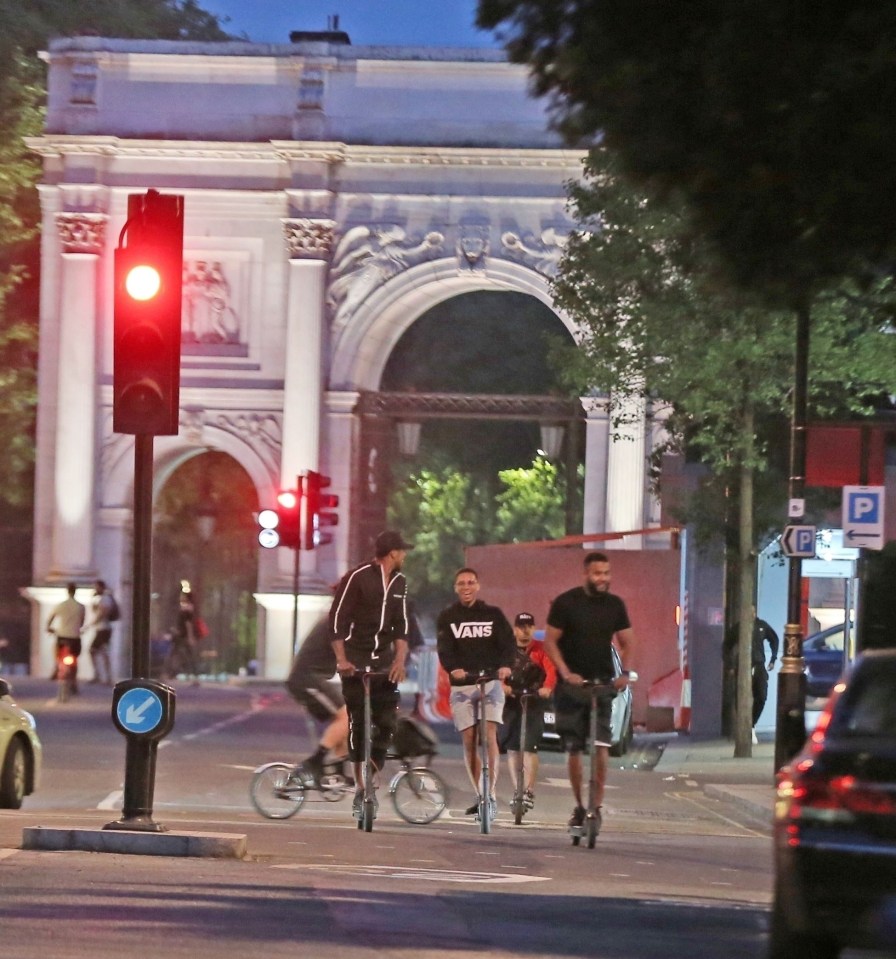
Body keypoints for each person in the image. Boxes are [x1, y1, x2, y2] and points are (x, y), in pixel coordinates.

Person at [543, 551, 635, 836]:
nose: (603, 579)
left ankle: (597, 806)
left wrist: (624, 674)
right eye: (597, 573)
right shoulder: (565, 603)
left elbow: (628, 641)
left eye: (606, 573)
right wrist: (564, 671)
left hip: (602, 685)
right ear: (585, 574)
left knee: (602, 746)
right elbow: (550, 642)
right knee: (573, 749)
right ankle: (580, 806)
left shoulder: (615, 605)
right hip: (572, 689)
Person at [330, 530, 414, 820]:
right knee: (359, 724)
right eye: (402, 551)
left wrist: (400, 661)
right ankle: (360, 787)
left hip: (383, 663)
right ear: (392, 553)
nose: (404, 556)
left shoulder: (400, 583)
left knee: (387, 722)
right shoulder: (358, 577)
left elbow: (402, 627)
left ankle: (373, 770)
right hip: (355, 661)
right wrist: (342, 660)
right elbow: (337, 620)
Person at [436, 567, 516, 821]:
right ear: (456, 588)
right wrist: (453, 669)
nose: (466, 587)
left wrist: (506, 666)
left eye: (470, 582)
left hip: (490, 682)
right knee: (469, 740)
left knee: (489, 735)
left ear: (478, 586)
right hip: (463, 685)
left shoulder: (493, 615)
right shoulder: (448, 616)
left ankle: (489, 791)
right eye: (461, 583)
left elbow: (508, 644)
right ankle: (478, 791)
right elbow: (444, 648)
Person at [499, 612, 556, 811]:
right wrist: (502, 686)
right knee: (513, 748)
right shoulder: (507, 651)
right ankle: (518, 790)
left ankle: (529, 790)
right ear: (514, 629)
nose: (525, 631)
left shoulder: (541, 650)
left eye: (529, 626)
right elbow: (499, 670)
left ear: (534, 629)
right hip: (511, 701)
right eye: (521, 627)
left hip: (534, 701)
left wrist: (547, 688)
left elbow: (551, 671)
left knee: (529, 747)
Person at [285, 615, 350, 786]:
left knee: (347, 719)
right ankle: (315, 762)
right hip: (307, 680)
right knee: (346, 717)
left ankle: (339, 769)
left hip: (314, 679)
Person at [724, 607, 779, 743]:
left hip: (759, 664)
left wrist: (773, 659)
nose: (752, 614)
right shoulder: (738, 628)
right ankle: (743, 727)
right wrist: (730, 665)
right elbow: (726, 645)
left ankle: (751, 724)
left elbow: (774, 639)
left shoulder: (761, 626)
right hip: (742, 666)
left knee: (761, 696)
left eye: (753, 612)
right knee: (740, 696)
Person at [47, 582, 86, 695]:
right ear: (75, 592)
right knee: (75, 659)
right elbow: (82, 622)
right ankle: (74, 683)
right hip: (75, 637)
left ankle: (56, 667)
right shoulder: (81, 606)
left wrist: (49, 628)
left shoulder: (60, 605)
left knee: (57, 651)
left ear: (67, 591)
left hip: (62, 635)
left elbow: (50, 619)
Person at [170, 590, 201, 684]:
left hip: (184, 636)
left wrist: (190, 636)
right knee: (177, 654)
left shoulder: (187, 609)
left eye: (183, 596)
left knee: (186, 655)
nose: (181, 597)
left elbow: (188, 624)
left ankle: (194, 676)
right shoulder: (185, 608)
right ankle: (170, 673)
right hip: (180, 635)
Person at [88, 580, 115, 685]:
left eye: (96, 587)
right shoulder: (100, 598)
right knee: (102, 652)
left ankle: (101, 675)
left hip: (103, 629)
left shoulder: (105, 598)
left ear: (101, 587)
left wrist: (92, 624)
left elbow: (103, 612)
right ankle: (104, 676)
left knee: (94, 650)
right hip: (101, 629)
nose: (95, 589)